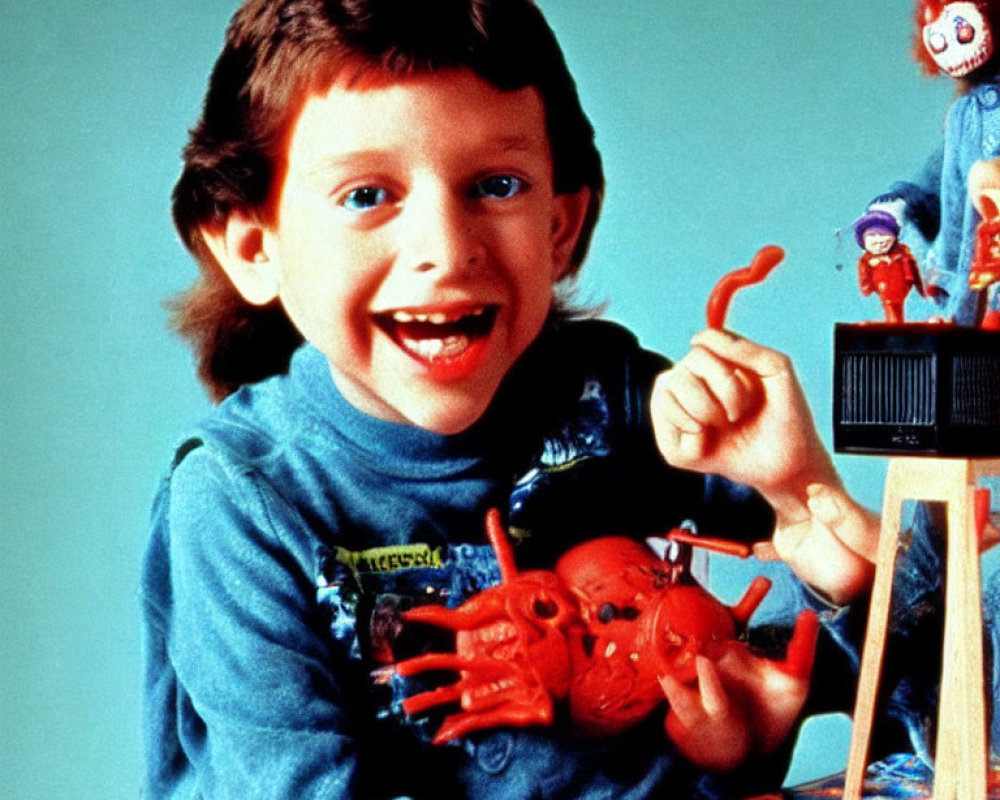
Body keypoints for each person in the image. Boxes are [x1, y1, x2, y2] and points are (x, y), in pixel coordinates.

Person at [141, 1, 881, 797]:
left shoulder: (624, 401)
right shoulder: (240, 503)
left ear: (560, 229)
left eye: (496, 185)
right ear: (256, 248)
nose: (447, 249)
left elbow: (916, 662)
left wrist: (803, 498)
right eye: (366, 195)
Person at [853, 210, 924, 323]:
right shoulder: (867, 262)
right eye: (872, 235)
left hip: (902, 288)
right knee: (889, 307)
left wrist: (921, 288)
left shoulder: (904, 256)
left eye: (883, 234)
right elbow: (864, 280)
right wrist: (866, 287)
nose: (879, 240)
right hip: (884, 290)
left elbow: (916, 275)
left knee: (897, 307)